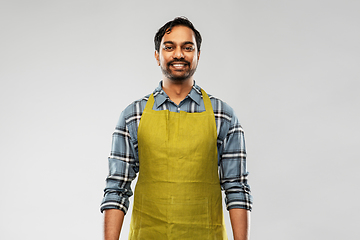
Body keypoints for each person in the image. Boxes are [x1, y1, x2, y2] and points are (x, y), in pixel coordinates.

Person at [101, 16, 253, 240]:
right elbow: (117, 188)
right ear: (157, 55)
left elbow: (236, 188)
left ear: (198, 55)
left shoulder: (224, 116)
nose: (179, 54)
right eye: (169, 47)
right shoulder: (134, 116)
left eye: (187, 47)